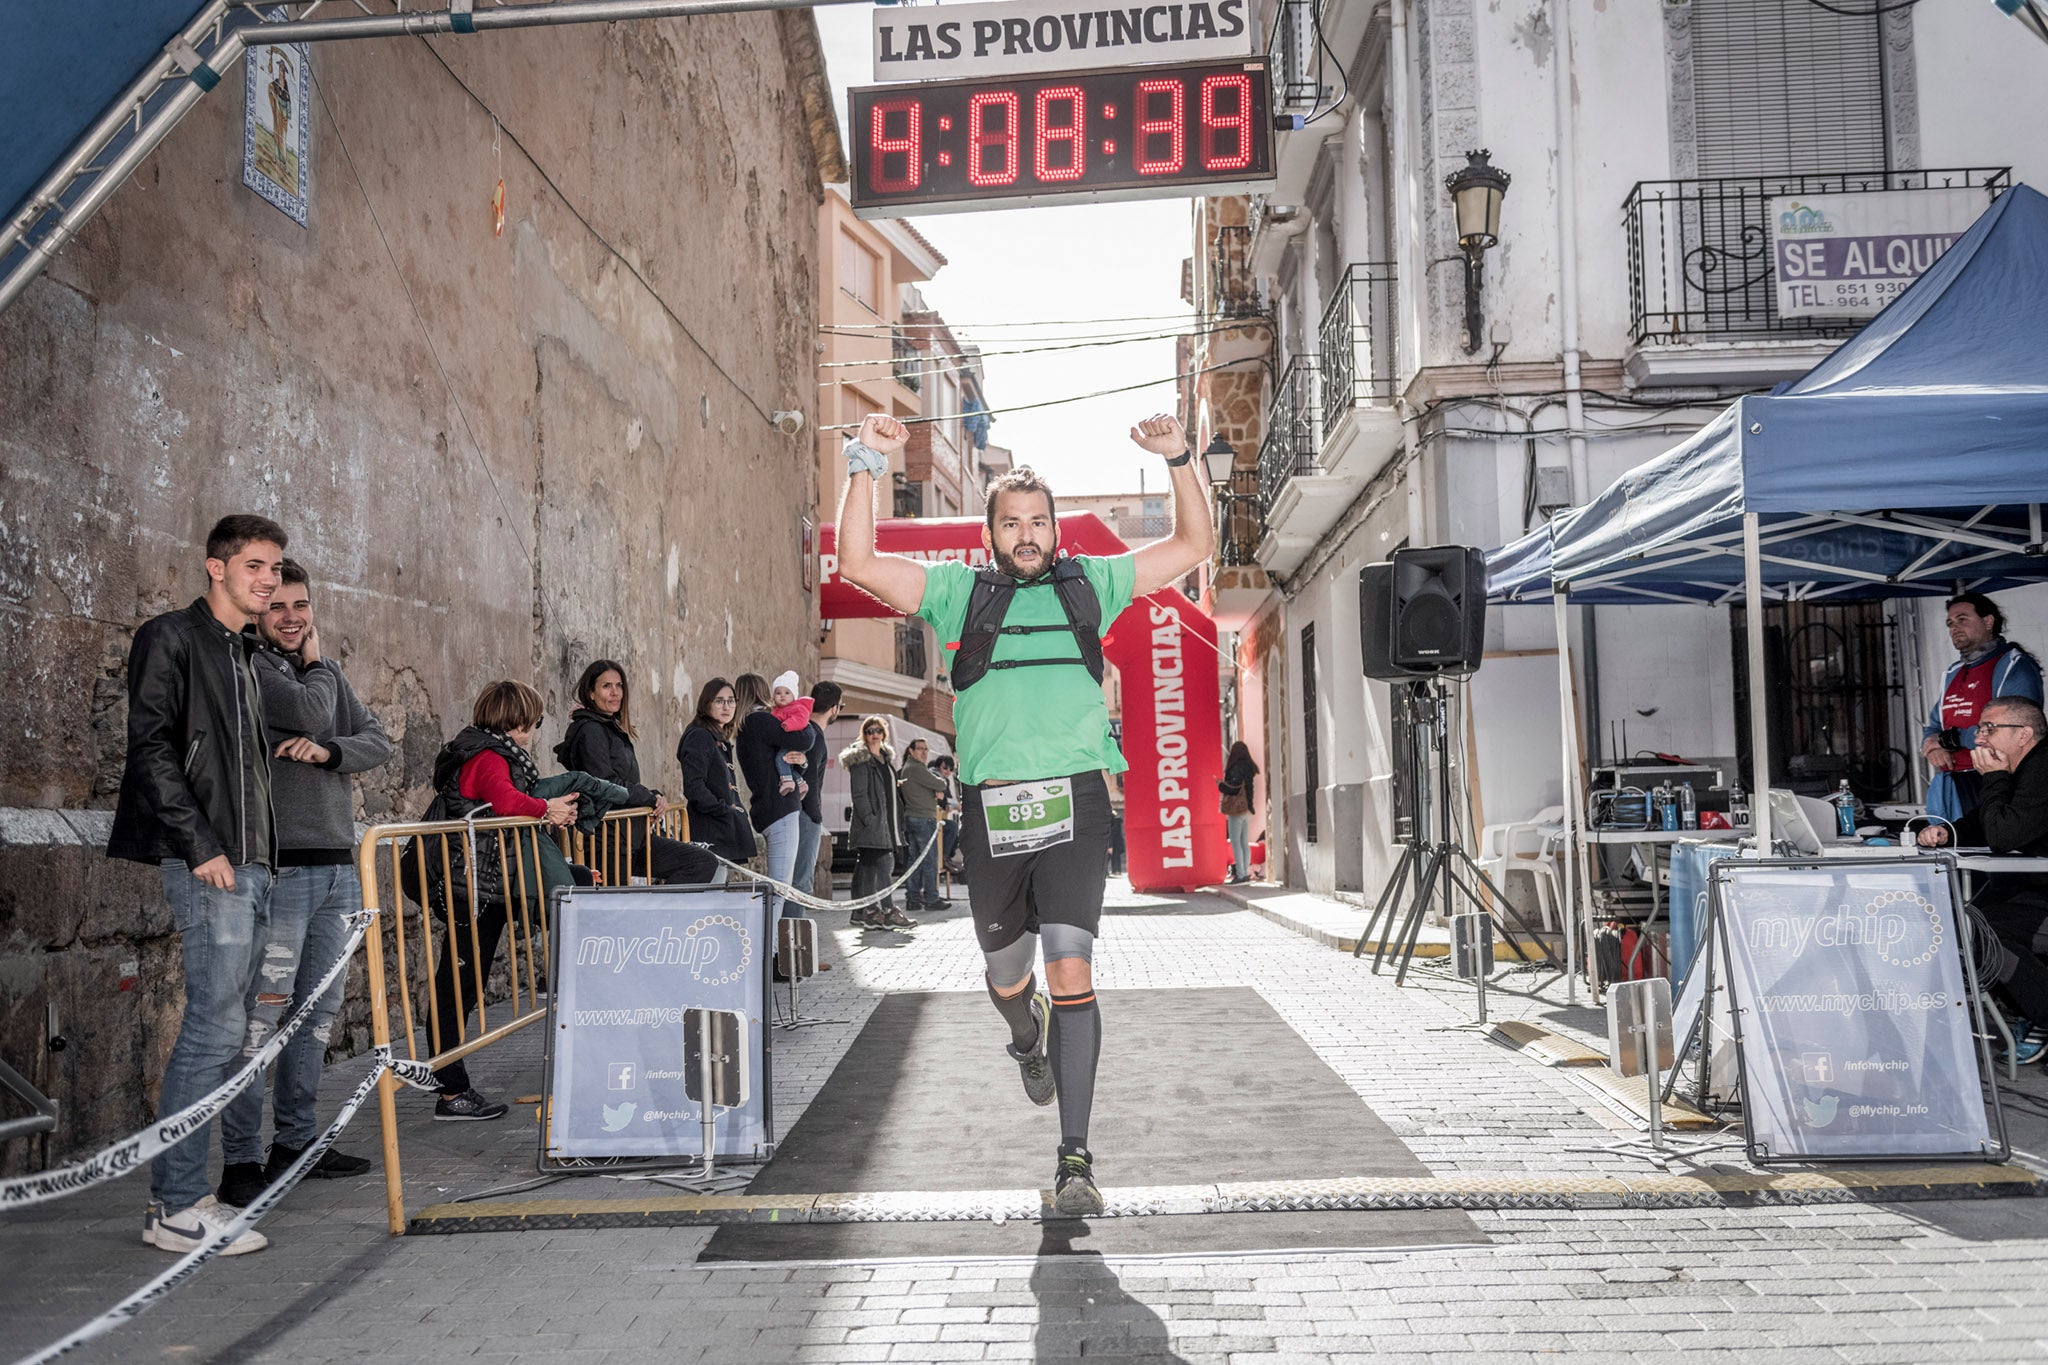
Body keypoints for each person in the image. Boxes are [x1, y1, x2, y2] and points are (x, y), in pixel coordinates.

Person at [835, 408, 1214, 1215]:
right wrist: (865, 459)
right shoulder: (957, 592)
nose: (1029, 533)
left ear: (1054, 528)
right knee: (1009, 974)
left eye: (1040, 520)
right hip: (993, 811)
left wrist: (1180, 456)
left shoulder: (1093, 583)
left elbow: (1191, 547)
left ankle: (1075, 1158)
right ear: (990, 535)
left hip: (1076, 800)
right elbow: (858, 560)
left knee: (1073, 963)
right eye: (1013, 523)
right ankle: (1024, 1031)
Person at [108, 513, 287, 1256]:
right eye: (254, 565)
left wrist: (261, 857)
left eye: (274, 567)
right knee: (211, 1028)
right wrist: (200, 844)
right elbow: (149, 748)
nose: (268, 579)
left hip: (251, 865)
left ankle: (180, 1200)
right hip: (209, 863)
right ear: (215, 567)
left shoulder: (243, 650)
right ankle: (177, 1202)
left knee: (227, 1030)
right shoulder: (171, 636)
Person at [216, 559, 392, 1208]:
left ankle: (297, 1143)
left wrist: (327, 752)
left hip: (337, 871)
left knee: (316, 1013)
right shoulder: (254, 668)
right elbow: (305, 708)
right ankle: (240, 1160)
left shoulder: (324, 675)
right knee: (262, 1015)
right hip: (282, 868)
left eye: (301, 605)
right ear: (257, 610)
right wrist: (320, 676)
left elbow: (376, 740)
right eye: (278, 605)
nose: (291, 616)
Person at [422, 681, 627, 1118]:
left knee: (461, 986)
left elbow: (510, 812)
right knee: (457, 987)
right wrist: (546, 809)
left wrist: (568, 866)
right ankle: (450, 1091)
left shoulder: (494, 753)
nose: (534, 727)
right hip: (472, 890)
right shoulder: (489, 756)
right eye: (532, 720)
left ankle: (449, 1084)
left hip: (487, 884)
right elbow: (509, 801)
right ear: (518, 721)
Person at [1918, 695, 2048, 1062]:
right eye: (1980, 728)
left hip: (2039, 896)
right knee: (1966, 923)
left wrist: (1993, 778)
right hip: (2031, 890)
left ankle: (2039, 1014)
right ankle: (2032, 1012)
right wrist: (1948, 834)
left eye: (1991, 728)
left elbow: (2004, 834)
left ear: (2023, 734)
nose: (1980, 738)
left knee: (1980, 931)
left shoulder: (2041, 768)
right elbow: (1984, 822)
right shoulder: (2021, 769)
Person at [554, 659, 715, 884]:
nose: (615, 693)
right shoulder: (591, 730)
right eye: (606, 686)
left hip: (630, 836)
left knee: (701, 862)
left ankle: (660, 917)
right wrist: (647, 797)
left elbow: (622, 780)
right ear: (591, 693)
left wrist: (653, 796)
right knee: (614, 910)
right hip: (605, 839)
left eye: (619, 686)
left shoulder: (610, 727)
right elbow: (605, 782)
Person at [1923, 593, 2043, 827]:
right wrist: (1931, 746)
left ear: (1988, 622)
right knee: (1949, 850)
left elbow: (2015, 729)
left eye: (1962, 619)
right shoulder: (1953, 672)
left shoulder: (2014, 666)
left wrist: (1949, 739)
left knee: (1991, 856)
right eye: (1950, 623)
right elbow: (1934, 725)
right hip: (1952, 783)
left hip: (1996, 780)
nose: (1954, 628)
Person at [733, 672, 808, 919]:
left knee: (777, 888)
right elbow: (806, 737)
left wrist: (801, 762)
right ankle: (770, 953)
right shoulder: (760, 721)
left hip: (768, 808)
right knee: (779, 889)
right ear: (763, 692)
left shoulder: (747, 726)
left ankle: (770, 949)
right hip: (780, 809)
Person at [677, 678, 755, 877]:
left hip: (719, 827)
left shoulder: (714, 736)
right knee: (710, 896)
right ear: (707, 704)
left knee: (716, 893)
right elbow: (694, 786)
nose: (726, 706)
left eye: (731, 701)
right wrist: (723, 810)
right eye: (719, 701)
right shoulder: (700, 736)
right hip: (708, 829)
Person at [842, 715, 914, 928]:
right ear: (864, 735)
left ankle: (864, 913)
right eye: (869, 731)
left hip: (888, 824)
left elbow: (882, 788)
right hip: (872, 825)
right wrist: (870, 819)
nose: (874, 735)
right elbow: (860, 794)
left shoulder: (885, 758)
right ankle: (882, 911)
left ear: (884, 734)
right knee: (882, 866)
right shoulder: (861, 760)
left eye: (878, 731)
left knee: (867, 869)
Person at [793, 680, 844, 898]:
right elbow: (811, 780)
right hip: (805, 816)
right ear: (833, 709)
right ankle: (793, 930)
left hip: (795, 812)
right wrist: (816, 817)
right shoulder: (814, 737)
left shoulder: (804, 731)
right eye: (841, 707)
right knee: (801, 883)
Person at [898, 736, 952, 912]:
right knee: (929, 860)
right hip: (923, 818)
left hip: (913, 817)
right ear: (911, 751)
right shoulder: (916, 768)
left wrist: (934, 789)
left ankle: (913, 899)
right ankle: (931, 899)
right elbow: (940, 783)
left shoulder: (909, 768)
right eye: (920, 749)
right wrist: (937, 788)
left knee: (915, 861)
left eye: (926, 749)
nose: (924, 752)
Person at [767, 670, 815, 798]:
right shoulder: (777, 710)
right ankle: (800, 782)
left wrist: (788, 725)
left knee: (781, 759)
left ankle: (787, 781)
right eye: (778, 693)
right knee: (786, 764)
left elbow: (801, 720)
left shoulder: (797, 707)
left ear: (794, 695)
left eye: (787, 693)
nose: (782, 696)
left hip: (794, 739)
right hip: (788, 741)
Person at [1219, 741, 1260, 884]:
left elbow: (1234, 788)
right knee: (1244, 842)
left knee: (1236, 842)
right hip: (1247, 809)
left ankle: (1241, 874)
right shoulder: (1249, 767)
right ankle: (1245, 872)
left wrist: (1220, 785)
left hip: (1237, 810)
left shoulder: (1236, 768)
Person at [934, 753, 965, 875]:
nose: (947, 771)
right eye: (945, 768)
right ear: (938, 767)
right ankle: (944, 857)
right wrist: (954, 806)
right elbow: (942, 802)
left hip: (935, 816)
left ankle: (946, 857)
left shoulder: (942, 779)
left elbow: (945, 803)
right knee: (952, 827)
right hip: (931, 817)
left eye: (950, 769)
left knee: (955, 830)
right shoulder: (937, 778)